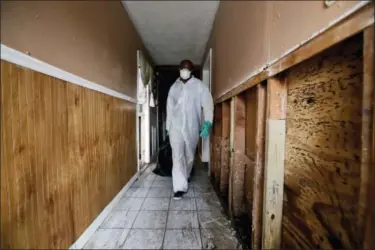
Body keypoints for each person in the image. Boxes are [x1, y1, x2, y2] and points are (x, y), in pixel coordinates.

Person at [166, 59, 213, 200]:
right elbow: (169, 108)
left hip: (192, 126)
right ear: (179, 69)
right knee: (177, 156)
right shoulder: (174, 87)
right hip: (176, 126)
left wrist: (208, 122)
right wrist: (168, 126)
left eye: (187, 69)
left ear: (191, 71)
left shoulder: (199, 86)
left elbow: (208, 104)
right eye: (182, 68)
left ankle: (185, 175)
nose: (184, 71)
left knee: (190, 156)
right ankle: (179, 188)